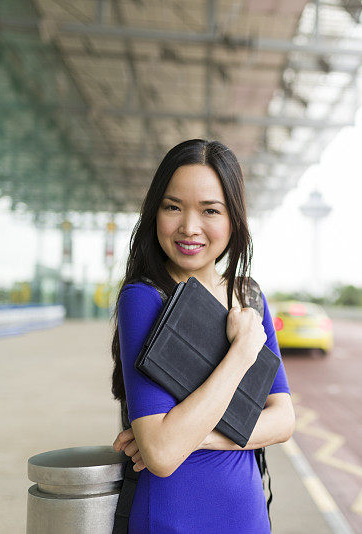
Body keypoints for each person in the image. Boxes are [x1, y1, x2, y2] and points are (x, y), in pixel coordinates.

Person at [109, 139, 295, 533]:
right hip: (174, 517)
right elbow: (160, 453)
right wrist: (241, 352)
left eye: (210, 210)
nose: (188, 227)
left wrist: (197, 436)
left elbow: (283, 420)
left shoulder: (247, 296)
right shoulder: (145, 298)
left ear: (233, 220)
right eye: (172, 207)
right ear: (154, 212)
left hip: (247, 515)